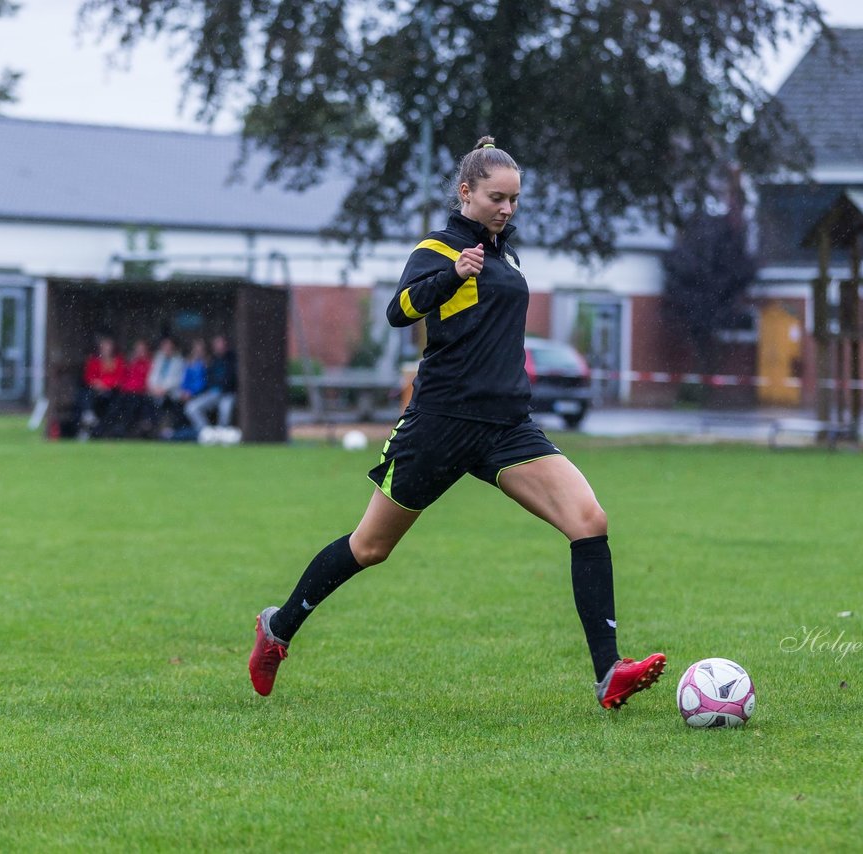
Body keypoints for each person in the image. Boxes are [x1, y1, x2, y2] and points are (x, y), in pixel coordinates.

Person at [248, 136, 666, 709]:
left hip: (507, 427)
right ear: (466, 192)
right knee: (370, 547)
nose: (507, 209)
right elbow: (400, 311)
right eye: (498, 197)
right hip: (440, 424)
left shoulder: (506, 256)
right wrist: (451, 276)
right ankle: (278, 629)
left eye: (515, 200)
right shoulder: (439, 249)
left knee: (589, 520)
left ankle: (609, 673)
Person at [185, 334, 237, 431]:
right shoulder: (212, 361)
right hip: (212, 394)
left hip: (227, 394)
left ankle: (222, 435)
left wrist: (223, 388)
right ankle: (207, 432)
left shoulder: (232, 359)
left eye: (220, 343)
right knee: (191, 408)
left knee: (225, 410)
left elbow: (231, 379)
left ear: (226, 344)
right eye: (216, 344)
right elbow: (206, 381)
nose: (218, 346)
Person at [77, 334, 124, 438]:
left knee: (115, 403)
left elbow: (119, 379)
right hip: (96, 391)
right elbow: (88, 377)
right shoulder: (94, 361)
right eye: (103, 346)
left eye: (108, 346)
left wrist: (105, 384)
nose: (105, 348)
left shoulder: (118, 361)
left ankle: (99, 429)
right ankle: (88, 415)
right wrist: (96, 383)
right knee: (84, 394)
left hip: (112, 392)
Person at [111, 338, 152, 437]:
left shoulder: (149, 364)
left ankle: (126, 430)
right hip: (127, 393)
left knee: (133, 404)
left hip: (140, 394)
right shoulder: (130, 363)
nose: (139, 352)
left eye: (141, 349)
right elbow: (123, 379)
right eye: (137, 349)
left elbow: (146, 382)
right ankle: (112, 428)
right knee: (114, 405)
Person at [145, 336, 186, 433]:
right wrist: (155, 388)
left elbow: (177, 380)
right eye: (164, 346)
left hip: (171, 393)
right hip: (157, 392)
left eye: (169, 346)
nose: (166, 348)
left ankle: (168, 430)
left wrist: (164, 389)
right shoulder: (158, 359)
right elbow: (152, 376)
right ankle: (150, 427)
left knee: (168, 403)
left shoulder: (179, 361)